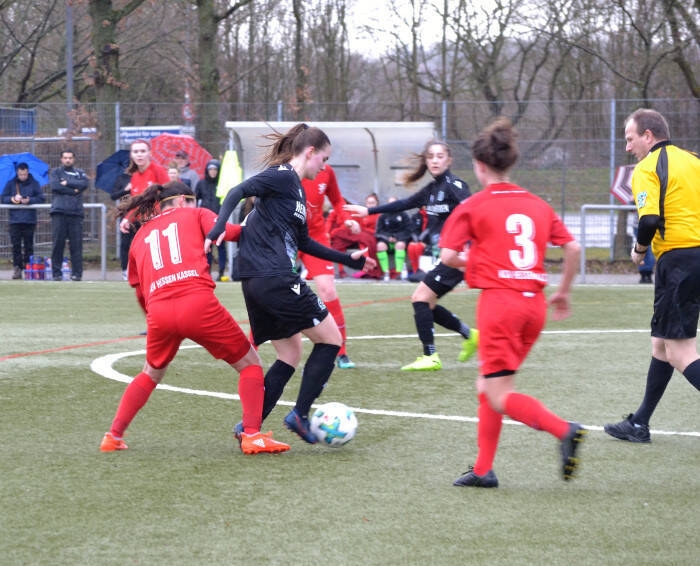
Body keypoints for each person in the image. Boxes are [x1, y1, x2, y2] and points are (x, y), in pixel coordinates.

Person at [205, 123, 376, 444]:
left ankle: (249, 428)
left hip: (258, 281)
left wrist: (347, 259)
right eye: (324, 159)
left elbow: (305, 243)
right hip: (276, 278)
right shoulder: (282, 175)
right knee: (331, 340)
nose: (324, 167)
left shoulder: (295, 190)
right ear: (310, 152)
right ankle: (299, 414)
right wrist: (217, 227)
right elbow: (237, 191)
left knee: (290, 353)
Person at [440, 117, 585, 487]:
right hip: (534, 306)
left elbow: (448, 256)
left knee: (499, 394)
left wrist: (480, 261)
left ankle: (564, 430)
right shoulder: (536, 204)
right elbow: (573, 248)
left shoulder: (473, 205)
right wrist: (564, 291)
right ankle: (483, 470)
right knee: (488, 385)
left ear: (479, 165)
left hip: (500, 306)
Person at [100, 181, 290, 455]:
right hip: (197, 303)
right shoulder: (196, 214)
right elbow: (231, 232)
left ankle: (113, 436)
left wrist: (154, 318)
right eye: (192, 200)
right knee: (251, 364)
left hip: (159, 312)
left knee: (150, 373)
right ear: (182, 200)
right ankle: (252, 435)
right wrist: (263, 221)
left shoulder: (140, 236)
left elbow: (139, 290)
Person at [604, 108, 700, 443]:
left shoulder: (647, 167)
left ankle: (639, 424)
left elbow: (648, 220)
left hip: (678, 260)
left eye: (630, 139)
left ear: (648, 135)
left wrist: (639, 249)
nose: (628, 147)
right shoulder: (693, 160)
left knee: (680, 352)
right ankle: (639, 423)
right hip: (695, 257)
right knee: (661, 344)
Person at [345, 140, 478, 371]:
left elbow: (476, 213)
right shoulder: (432, 189)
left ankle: (430, 356)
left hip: (457, 256)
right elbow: (404, 204)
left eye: (440, 156)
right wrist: (368, 210)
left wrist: (472, 246)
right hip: (446, 255)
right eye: (431, 157)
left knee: (420, 298)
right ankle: (470, 335)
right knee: (427, 304)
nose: (435, 160)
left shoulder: (455, 185)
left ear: (449, 160)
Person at [300, 164, 359, 369]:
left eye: (327, 158)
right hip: (287, 235)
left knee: (328, 290)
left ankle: (341, 352)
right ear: (309, 151)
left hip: (315, 237)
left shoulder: (326, 171)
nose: (324, 162)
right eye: (323, 156)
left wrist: (347, 219)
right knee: (271, 289)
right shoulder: (287, 168)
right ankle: (252, 345)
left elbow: (337, 200)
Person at [1, 162, 45, 280]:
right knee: (16, 246)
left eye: (25, 174)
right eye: (21, 174)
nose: (23, 176)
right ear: (17, 173)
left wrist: (29, 200)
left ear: (28, 172)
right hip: (15, 220)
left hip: (29, 220)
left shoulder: (34, 183)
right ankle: (17, 268)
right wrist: (13, 199)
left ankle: (28, 268)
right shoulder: (11, 183)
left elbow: (41, 198)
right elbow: (3, 198)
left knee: (28, 246)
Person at [49, 149, 88, 281]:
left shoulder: (80, 173)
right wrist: (74, 191)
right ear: (61, 159)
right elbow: (55, 187)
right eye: (65, 158)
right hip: (59, 212)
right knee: (58, 244)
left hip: (76, 213)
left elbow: (84, 184)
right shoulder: (55, 172)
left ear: (73, 159)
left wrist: (67, 183)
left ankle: (77, 274)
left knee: (76, 245)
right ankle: (56, 273)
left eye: (70, 158)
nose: (67, 160)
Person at [118, 139, 169, 235]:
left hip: (159, 222)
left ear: (150, 153)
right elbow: (137, 203)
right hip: (141, 223)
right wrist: (127, 218)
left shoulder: (158, 170)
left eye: (143, 151)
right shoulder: (135, 176)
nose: (139, 154)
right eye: (136, 152)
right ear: (131, 155)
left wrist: (156, 213)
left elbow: (169, 195)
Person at [328, 193, 383, 279]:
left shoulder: (378, 215)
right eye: (368, 203)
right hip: (351, 235)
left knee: (364, 241)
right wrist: (329, 233)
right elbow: (329, 222)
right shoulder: (336, 212)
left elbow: (362, 227)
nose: (370, 205)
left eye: (372, 203)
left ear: (377, 203)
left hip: (369, 235)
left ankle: (367, 268)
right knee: (339, 242)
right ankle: (341, 270)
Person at [195, 159, 228, 280]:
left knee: (220, 245)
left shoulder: (223, 183)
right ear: (207, 170)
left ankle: (221, 271)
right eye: (211, 169)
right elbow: (195, 199)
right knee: (206, 246)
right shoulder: (201, 184)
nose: (213, 172)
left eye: (215, 169)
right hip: (205, 220)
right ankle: (207, 271)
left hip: (220, 219)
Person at [375, 196, 413, 281]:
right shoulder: (383, 216)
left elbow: (408, 230)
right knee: (380, 246)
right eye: (390, 203)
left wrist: (397, 237)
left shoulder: (404, 215)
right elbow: (379, 232)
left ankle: (398, 272)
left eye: (394, 203)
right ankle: (385, 272)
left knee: (400, 245)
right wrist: (388, 238)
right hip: (386, 241)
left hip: (400, 240)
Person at [109, 172, 133, 280]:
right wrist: (126, 189)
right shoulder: (121, 178)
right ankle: (125, 270)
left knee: (141, 244)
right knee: (125, 244)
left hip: (142, 214)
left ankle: (140, 269)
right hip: (126, 215)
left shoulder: (144, 176)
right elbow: (113, 195)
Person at [632, 209, 655, 283]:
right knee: (644, 250)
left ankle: (647, 273)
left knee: (648, 250)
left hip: (650, 224)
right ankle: (645, 273)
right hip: (639, 225)